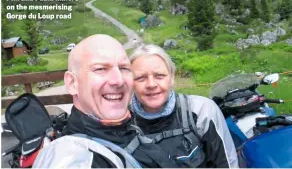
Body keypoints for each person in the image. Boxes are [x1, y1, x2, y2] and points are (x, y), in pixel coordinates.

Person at [33, 35, 182, 168]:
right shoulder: (73, 157)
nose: (118, 80)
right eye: (100, 69)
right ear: (72, 83)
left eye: (124, 68)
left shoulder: (129, 128)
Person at [129, 44, 239, 168]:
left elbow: (225, 164)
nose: (151, 84)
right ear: (130, 82)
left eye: (159, 76)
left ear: (171, 78)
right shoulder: (122, 123)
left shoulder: (202, 111)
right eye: (140, 78)